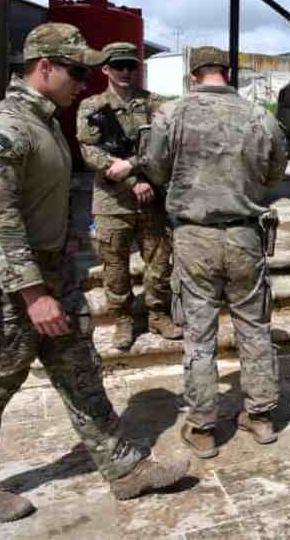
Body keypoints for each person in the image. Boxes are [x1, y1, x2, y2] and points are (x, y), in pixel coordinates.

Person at [0, 23, 190, 523]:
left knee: (82, 376)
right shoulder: (4, 127)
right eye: (77, 72)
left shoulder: (45, 122)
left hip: (54, 276)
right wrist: (34, 294)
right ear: (44, 67)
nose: (85, 82)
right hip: (12, 289)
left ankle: (125, 469)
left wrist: (67, 260)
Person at [141, 46, 288, 459]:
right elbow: (275, 173)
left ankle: (203, 428)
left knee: (199, 336)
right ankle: (261, 417)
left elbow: (155, 169)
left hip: (195, 238)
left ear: (193, 76)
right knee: (254, 329)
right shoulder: (260, 117)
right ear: (228, 73)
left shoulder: (171, 114)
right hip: (245, 237)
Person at [77, 41, 176, 350]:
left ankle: (158, 314)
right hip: (112, 201)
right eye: (118, 66)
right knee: (115, 267)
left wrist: (133, 166)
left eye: (131, 66)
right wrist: (133, 182)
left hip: (152, 198)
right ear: (105, 69)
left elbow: (168, 143)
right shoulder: (92, 106)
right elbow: (90, 153)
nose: (125, 72)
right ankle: (123, 319)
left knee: (159, 263)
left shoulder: (154, 103)